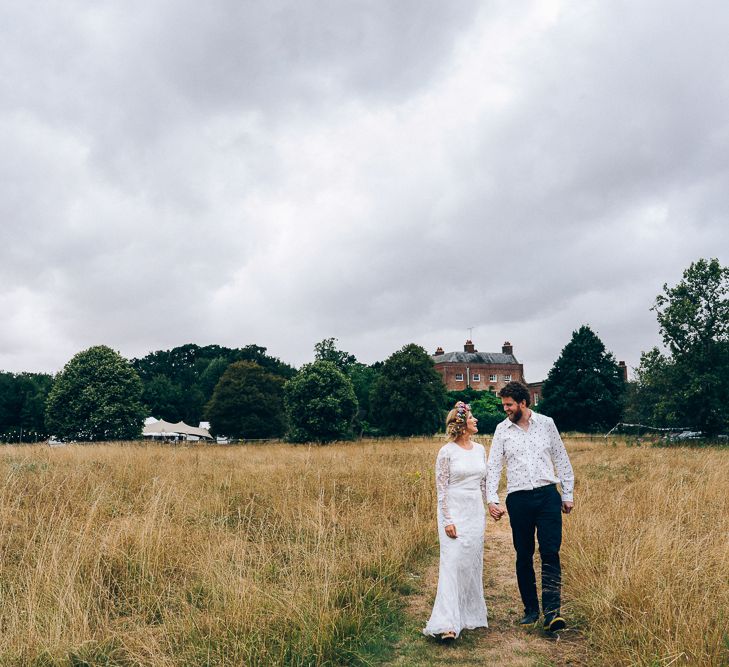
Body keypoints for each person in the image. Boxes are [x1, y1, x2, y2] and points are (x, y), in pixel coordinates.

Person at [485, 380, 574, 633]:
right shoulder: (502, 430)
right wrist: (492, 499)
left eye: (509, 405)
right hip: (519, 498)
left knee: (550, 551)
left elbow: (561, 458)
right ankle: (531, 610)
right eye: (504, 405)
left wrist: (567, 494)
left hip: (547, 496)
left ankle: (552, 612)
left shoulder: (547, 424)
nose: (506, 409)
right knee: (523, 554)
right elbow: (493, 466)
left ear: (523, 403)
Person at [423, 401, 490, 641]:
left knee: (470, 564)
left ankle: (469, 615)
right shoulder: (446, 452)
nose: (476, 421)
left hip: (474, 513)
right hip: (454, 511)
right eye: (472, 418)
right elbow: (441, 490)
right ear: (461, 424)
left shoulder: (481, 449)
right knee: (452, 563)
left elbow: (484, 483)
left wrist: (491, 504)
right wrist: (446, 520)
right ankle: (447, 624)